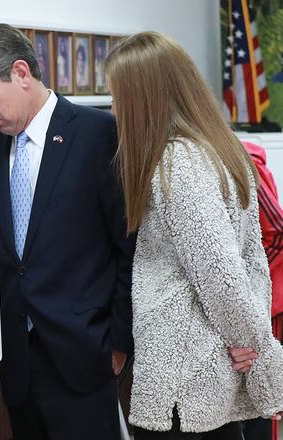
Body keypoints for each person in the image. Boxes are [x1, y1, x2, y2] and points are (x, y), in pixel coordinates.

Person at [0, 23, 134, 439]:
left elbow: (131, 247)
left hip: (85, 359)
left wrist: (119, 342)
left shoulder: (98, 135)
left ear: (20, 73)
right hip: (19, 366)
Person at [105, 31, 283, 438]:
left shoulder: (179, 161)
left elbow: (221, 271)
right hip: (209, 367)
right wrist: (251, 337)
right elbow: (252, 260)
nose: (114, 110)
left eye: (118, 98)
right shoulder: (222, 148)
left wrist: (253, 346)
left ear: (144, 100)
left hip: (186, 374)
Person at [240, 140, 283, 440]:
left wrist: (249, 284)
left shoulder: (242, 162)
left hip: (267, 304)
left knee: (261, 402)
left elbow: (278, 232)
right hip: (243, 302)